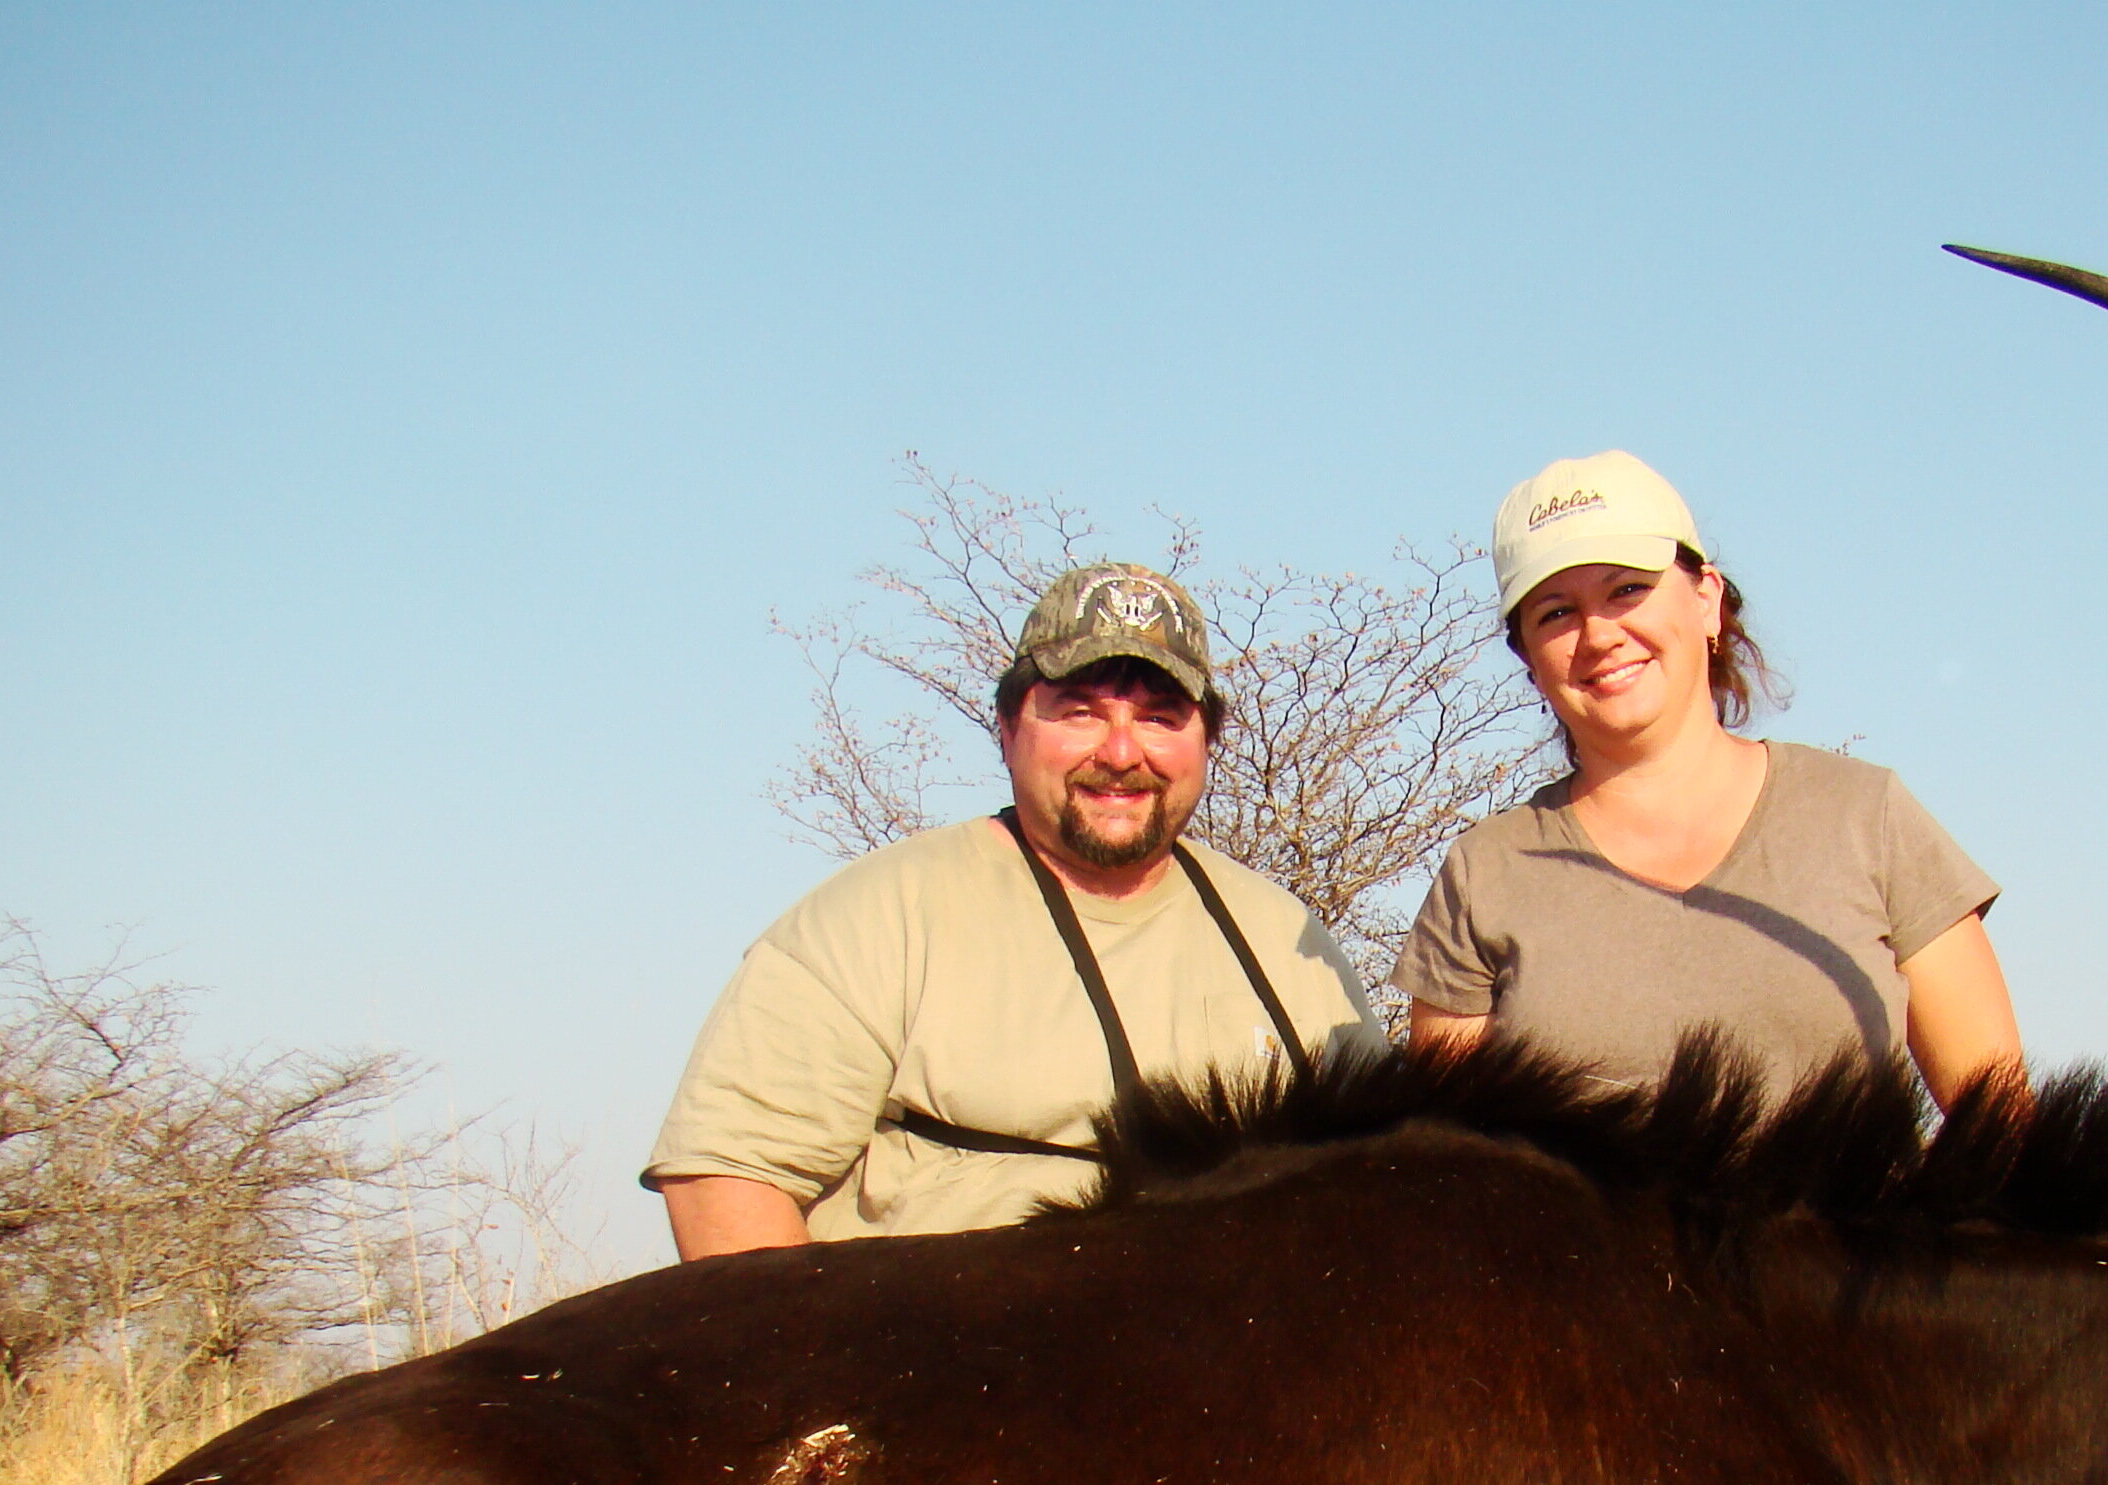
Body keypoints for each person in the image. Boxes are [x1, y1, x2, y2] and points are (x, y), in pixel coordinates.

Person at [646, 563, 1377, 1254]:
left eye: (1160, 718)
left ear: (1208, 740)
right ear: (1007, 728)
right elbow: (724, 1178)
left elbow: (1385, 1186)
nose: (1122, 752)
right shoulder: (877, 917)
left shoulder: (1286, 938)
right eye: (1081, 713)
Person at [1394, 451, 2022, 1106]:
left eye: (1627, 589)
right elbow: (1448, 1172)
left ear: (1706, 599)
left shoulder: (1868, 814)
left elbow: (2001, 1133)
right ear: (1527, 657)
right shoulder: (1483, 871)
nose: (1599, 634)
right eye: (1555, 613)